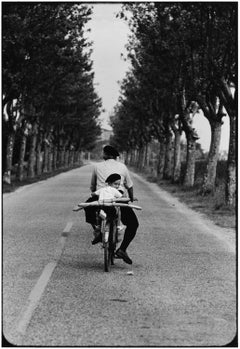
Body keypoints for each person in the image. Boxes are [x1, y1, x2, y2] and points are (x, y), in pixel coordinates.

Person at [85, 145, 139, 265]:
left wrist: (95, 193)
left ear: (105, 155)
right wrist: (129, 199)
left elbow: (93, 186)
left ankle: (98, 230)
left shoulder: (97, 166)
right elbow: (129, 185)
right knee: (133, 224)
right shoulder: (122, 167)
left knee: (88, 208)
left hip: (101, 198)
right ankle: (122, 249)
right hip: (117, 199)